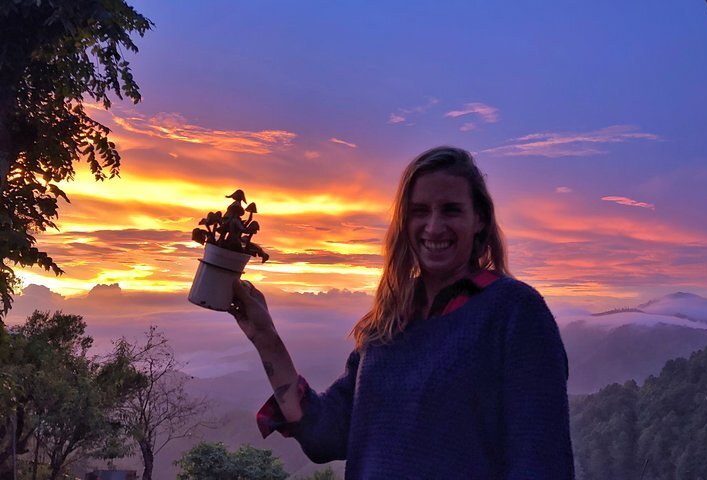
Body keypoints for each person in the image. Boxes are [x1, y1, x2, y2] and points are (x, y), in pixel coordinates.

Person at [229, 146, 575, 479]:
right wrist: (266, 338)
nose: (434, 226)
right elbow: (326, 435)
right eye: (419, 211)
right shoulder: (390, 320)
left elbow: (541, 461)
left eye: (451, 210)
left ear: (479, 219)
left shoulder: (515, 312)